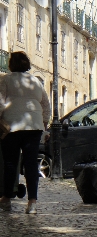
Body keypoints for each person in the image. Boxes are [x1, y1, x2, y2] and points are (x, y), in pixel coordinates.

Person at [0, 52, 51, 214]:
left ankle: (7, 199)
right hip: (34, 127)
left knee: (10, 164)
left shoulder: (5, 80)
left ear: (11, 64)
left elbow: (0, 103)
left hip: (11, 126)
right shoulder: (36, 81)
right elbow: (46, 105)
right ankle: (32, 203)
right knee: (30, 165)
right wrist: (44, 125)